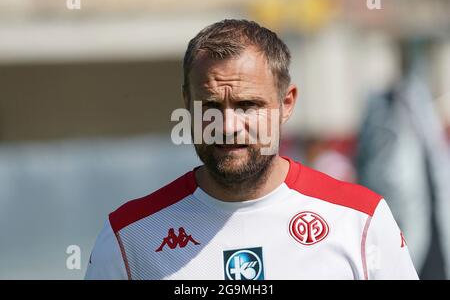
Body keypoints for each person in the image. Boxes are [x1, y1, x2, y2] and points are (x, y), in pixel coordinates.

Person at [85, 19, 418, 280]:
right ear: (187, 103)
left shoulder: (360, 220)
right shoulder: (130, 236)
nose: (228, 126)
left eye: (248, 105)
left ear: (286, 103)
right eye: (211, 106)